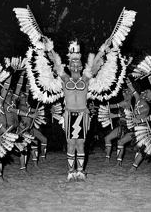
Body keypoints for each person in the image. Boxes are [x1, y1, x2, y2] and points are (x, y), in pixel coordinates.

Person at [47, 39, 110, 181]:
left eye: (78, 63)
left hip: (82, 114)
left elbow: (95, 64)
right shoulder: (65, 79)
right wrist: (50, 48)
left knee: (80, 143)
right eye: (73, 63)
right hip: (69, 114)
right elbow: (56, 63)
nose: (75, 65)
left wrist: (103, 48)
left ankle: (80, 171)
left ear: (81, 66)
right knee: (71, 143)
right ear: (69, 65)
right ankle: (71, 171)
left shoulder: (85, 79)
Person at [103, 78, 140, 163]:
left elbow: (130, 116)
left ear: (131, 93)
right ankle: (107, 158)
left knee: (120, 142)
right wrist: (100, 104)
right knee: (107, 138)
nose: (124, 93)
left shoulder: (131, 103)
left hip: (131, 128)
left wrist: (115, 115)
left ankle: (118, 163)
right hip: (122, 126)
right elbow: (111, 106)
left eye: (126, 91)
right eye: (123, 91)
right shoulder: (124, 102)